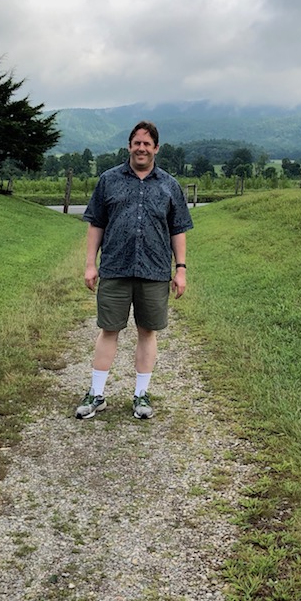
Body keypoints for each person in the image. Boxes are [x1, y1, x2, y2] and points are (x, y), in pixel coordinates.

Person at [76, 120, 193, 420]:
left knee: (147, 331)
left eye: (147, 143)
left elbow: (178, 230)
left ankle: (141, 395)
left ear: (156, 148)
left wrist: (180, 269)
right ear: (129, 146)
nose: (141, 148)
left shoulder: (169, 185)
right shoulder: (108, 180)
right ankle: (96, 394)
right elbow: (96, 224)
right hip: (115, 267)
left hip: (154, 271)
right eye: (136, 142)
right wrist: (91, 264)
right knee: (108, 330)